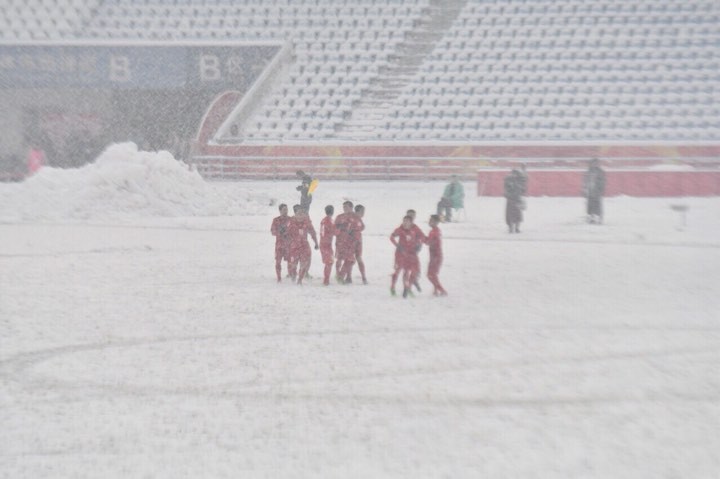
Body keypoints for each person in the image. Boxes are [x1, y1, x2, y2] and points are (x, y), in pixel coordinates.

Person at [390, 215, 427, 298]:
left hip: (411, 253)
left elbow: (422, 237)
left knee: (414, 271)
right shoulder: (400, 229)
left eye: (407, 221)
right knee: (398, 271)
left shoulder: (415, 228)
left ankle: (408, 287)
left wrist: (419, 245)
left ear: (412, 222)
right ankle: (393, 287)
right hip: (400, 254)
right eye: (404, 221)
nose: (405, 223)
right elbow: (391, 237)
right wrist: (397, 246)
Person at [288, 204, 318, 285]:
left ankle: (300, 280)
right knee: (293, 264)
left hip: (304, 245)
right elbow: (287, 234)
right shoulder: (291, 222)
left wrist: (316, 242)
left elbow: (312, 232)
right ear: (295, 215)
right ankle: (293, 275)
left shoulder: (307, 222)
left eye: (302, 214)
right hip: (294, 246)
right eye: (299, 214)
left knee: (304, 263)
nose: (301, 216)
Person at [334, 200, 356, 283]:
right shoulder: (339, 217)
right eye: (343, 207)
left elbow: (359, 228)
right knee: (339, 258)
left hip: (351, 242)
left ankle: (348, 276)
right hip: (340, 241)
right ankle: (338, 274)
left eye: (346, 207)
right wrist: (340, 228)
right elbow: (334, 229)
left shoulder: (355, 217)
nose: (344, 209)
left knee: (350, 260)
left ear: (351, 207)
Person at [425, 214, 447, 296]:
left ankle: (441, 290)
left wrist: (420, 237)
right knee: (433, 274)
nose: (430, 222)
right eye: (429, 220)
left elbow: (428, 242)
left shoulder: (434, 232)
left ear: (436, 222)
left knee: (430, 274)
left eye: (432, 221)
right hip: (435, 256)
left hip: (436, 256)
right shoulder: (435, 231)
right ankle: (436, 290)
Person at [270, 203, 292, 282]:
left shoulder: (291, 219)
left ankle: (291, 275)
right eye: (284, 210)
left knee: (290, 261)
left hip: (288, 245)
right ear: (280, 211)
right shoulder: (276, 220)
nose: (286, 211)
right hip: (279, 245)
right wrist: (280, 232)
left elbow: (294, 231)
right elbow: (272, 231)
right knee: (278, 261)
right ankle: (279, 277)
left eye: (287, 209)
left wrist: (288, 233)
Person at [349, 204, 368, 284]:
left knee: (355, 258)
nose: (364, 213)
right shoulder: (353, 218)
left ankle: (362, 277)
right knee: (352, 259)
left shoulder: (358, 218)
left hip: (358, 241)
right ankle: (350, 277)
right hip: (354, 241)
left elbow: (362, 227)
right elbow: (350, 230)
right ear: (359, 211)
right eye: (363, 211)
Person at [583, 158, 606, 224]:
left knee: (597, 205)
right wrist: (585, 189)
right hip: (590, 190)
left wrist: (601, 190)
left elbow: (603, 182)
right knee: (590, 205)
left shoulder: (600, 172)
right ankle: (591, 218)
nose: (594, 164)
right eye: (593, 163)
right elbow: (585, 182)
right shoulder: (588, 171)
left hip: (597, 191)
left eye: (595, 163)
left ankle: (599, 218)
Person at [319, 205, 336, 286]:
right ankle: (326, 280)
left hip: (324, 243)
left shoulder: (324, 220)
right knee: (329, 262)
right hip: (326, 244)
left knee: (329, 262)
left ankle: (326, 279)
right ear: (332, 211)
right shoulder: (329, 221)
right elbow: (334, 231)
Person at [504, 169, 525, 233]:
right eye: (513, 174)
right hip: (511, 199)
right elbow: (506, 189)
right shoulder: (508, 180)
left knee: (517, 215)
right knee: (511, 215)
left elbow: (523, 190)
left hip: (517, 199)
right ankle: (511, 228)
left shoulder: (520, 181)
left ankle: (516, 228)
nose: (514, 175)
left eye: (515, 174)